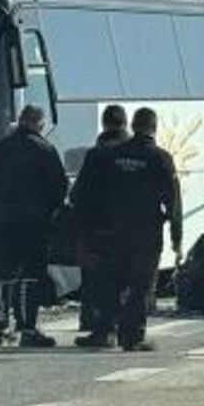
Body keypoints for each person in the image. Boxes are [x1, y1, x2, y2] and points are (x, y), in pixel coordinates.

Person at [0, 104, 68, 349]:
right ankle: (27, 328)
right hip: (34, 221)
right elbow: (59, 187)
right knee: (30, 276)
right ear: (40, 123)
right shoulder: (45, 149)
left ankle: (1, 328)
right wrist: (49, 213)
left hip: (2, 221)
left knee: (1, 275)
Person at [87, 106, 182, 353]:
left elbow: (93, 193)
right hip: (146, 233)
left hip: (113, 232)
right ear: (154, 128)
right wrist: (176, 237)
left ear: (134, 125)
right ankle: (133, 336)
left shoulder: (111, 155)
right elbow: (173, 201)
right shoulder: (160, 158)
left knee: (113, 282)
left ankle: (105, 331)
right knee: (140, 285)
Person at [70, 103, 130, 348]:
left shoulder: (97, 154)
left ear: (105, 124)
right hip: (134, 228)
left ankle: (104, 330)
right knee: (129, 279)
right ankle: (129, 330)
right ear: (125, 123)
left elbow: (79, 194)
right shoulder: (138, 152)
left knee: (102, 280)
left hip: (100, 227)